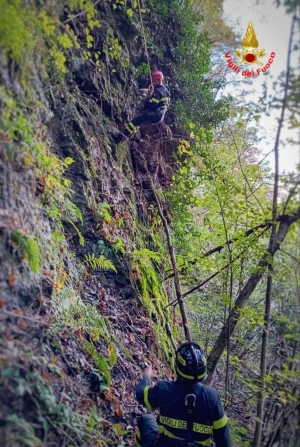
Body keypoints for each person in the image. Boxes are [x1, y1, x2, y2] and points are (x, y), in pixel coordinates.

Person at [135, 342, 232, 447]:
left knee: (146, 419)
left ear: (178, 366)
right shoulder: (212, 397)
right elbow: (224, 441)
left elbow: (141, 395)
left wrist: (146, 376)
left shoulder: (164, 389)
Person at [111, 71, 170, 144]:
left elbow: (152, 105)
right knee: (137, 123)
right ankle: (122, 138)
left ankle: (118, 138)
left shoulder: (158, 92)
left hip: (155, 114)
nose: (153, 82)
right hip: (160, 116)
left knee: (135, 122)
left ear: (159, 80)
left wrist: (147, 98)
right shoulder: (165, 90)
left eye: (154, 80)